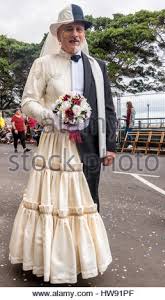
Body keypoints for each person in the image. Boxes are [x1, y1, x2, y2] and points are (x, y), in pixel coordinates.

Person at [9, 4, 116, 284]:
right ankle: (51, 262)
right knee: (53, 202)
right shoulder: (43, 65)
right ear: (58, 34)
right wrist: (50, 115)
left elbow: (108, 108)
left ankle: (83, 260)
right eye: (69, 28)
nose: (75, 33)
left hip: (90, 144)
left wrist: (111, 145)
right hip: (55, 144)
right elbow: (27, 101)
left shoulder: (97, 67)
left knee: (87, 200)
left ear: (84, 34)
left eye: (79, 28)